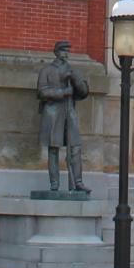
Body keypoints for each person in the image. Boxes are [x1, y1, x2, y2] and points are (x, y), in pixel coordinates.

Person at [37, 40, 89, 193]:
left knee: (75, 148)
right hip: (53, 113)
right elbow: (42, 92)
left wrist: (75, 80)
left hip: (69, 113)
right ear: (56, 52)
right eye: (62, 51)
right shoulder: (46, 71)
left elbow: (84, 92)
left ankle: (77, 182)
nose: (65, 54)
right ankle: (54, 184)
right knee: (53, 150)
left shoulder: (73, 71)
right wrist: (62, 93)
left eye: (67, 51)